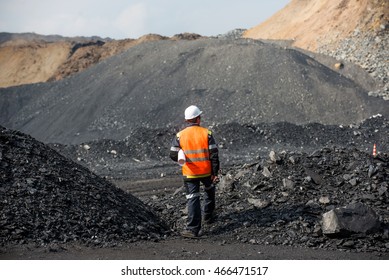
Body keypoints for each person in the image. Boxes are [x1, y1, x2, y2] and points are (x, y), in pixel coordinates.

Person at [170, 105, 220, 238]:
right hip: (206, 172)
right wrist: (215, 173)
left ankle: (193, 229)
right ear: (198, 119)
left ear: (187, 120)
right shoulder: (206, 133)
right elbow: (214, 155)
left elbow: (173, 154)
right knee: (209, 191)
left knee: (193, 199)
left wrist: (181, 156)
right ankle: (208, 217)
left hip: (190, 173)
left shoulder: (180, 136)